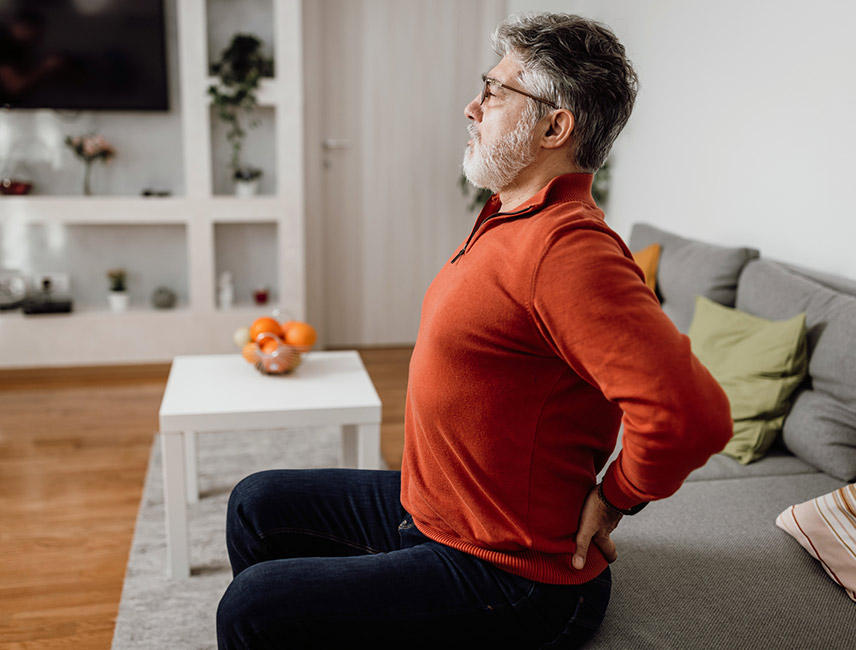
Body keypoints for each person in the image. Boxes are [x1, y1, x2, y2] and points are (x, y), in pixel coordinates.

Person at [216, 12, 732, 649]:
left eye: (494, 91)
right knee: (256, 503)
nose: (472, 106)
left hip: (514, 574)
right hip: (438, 509)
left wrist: (616, 496)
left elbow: (691, 413)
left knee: (254, 608)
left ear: (554, 127)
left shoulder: (570, 251)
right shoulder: (509, 215)